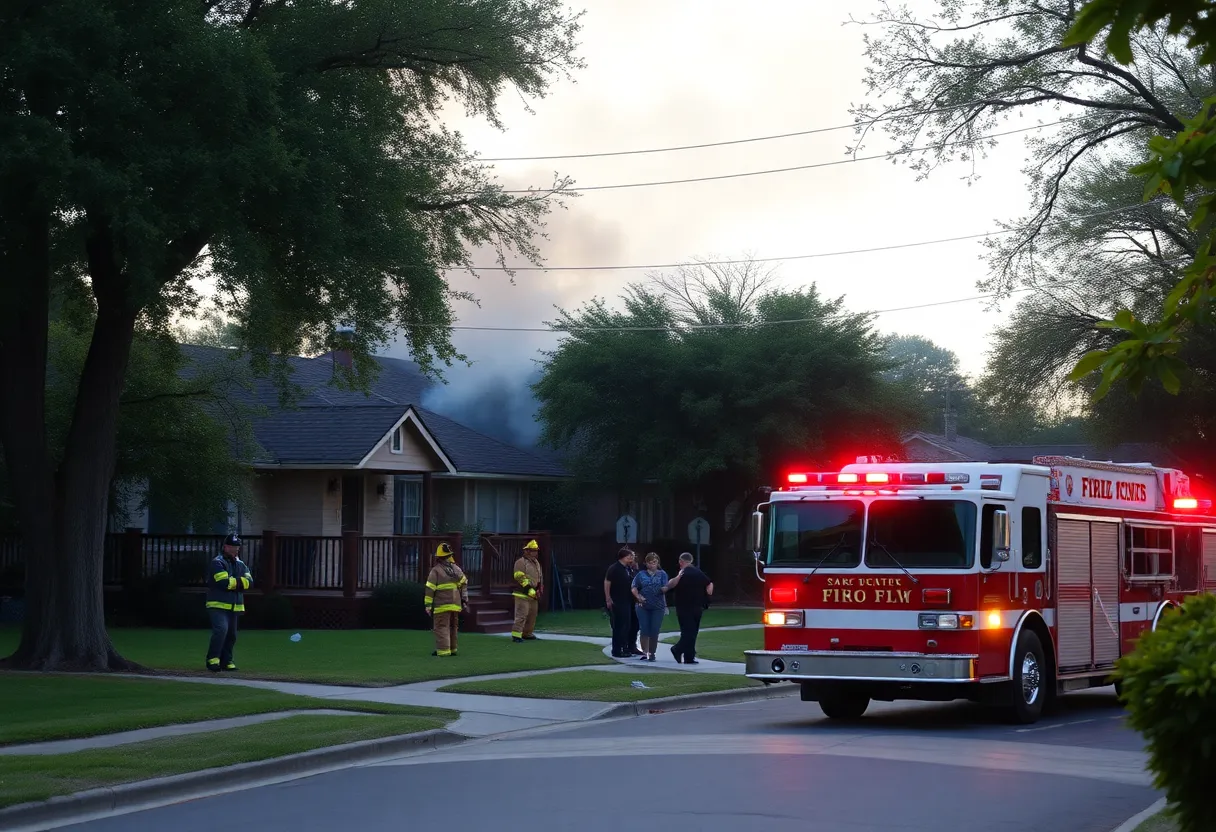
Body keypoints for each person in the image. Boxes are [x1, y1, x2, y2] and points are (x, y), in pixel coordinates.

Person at [205, 533, 253, 672]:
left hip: (234, 605)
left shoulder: (240, 563)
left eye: (237, 546)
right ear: (226, 547)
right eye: (233, 546)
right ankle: (213, 660)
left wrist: (234, 581)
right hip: (217, 605)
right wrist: (239, 582)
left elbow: (250, 582)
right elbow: (223, 582)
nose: (236, 549)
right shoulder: (218, 562)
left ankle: (227, 661)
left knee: (231, 635)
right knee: (221, 630)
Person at [666, 552, 714, 664]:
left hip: (683, 607)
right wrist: (708, 593)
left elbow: (670, 585)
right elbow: (709, 583)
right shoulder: (698, 572)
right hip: (697, 606)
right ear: (691, 561)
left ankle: (678, 650)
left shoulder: (681, 573)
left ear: (681, 561)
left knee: (687, 632)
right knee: (692, 632)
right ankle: (688, 656)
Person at [424, 542, 469, 657]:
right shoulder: (456, 569)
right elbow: (464, 583)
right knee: (453, 627)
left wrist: (428, 605)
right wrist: (464, 600)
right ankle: (453, 649)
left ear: (439, 557)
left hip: (442, 605)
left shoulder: (436, 570)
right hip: (456, 604)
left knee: (441, 627)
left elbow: (430, 588)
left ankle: (443, 651)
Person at [630, 552, 670, 662]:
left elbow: (665, 587)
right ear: (646, 563)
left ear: (658, 563)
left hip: (658, 606)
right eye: (650, 562)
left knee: (654, 630)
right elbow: (633, 587)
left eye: (654, 562)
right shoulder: (641, 575)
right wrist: (638, 596)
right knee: (644, 629)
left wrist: (665, 589)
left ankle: (652, 653)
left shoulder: (662, 574)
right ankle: (644, 652)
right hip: (643, 606)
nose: (652, 565)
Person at [604, 548, 635, 658]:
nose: (631, 558)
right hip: (617, 600)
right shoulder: (614, 568)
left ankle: (625, 647)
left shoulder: (627, 568)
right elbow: (607, 582)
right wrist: (608, 598)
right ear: (623, 557)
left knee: (626, 625)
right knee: (619, 626)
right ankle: (616, 650)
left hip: (626, 600)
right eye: (629, 556)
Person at [511, 539, 544, 643]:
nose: (536, 552)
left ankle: (527, 633)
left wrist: (540, 588)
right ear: (527, 551)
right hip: (522, 593)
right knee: (522, 614)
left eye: (536, 550)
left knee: (532, 614)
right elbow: (519, 577)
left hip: (533, 594)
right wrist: (529, 590)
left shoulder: (536, 563)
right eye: (533, 550)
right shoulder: (520, 562)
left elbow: (539, 577)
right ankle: (516, 635)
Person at [625, 551, 642, 656]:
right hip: (626, 601)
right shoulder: (623, 570)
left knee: (635, 625)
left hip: (635, 602)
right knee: (626, 625)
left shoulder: (636, 571)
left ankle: (632, 646)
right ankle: (625, 646)